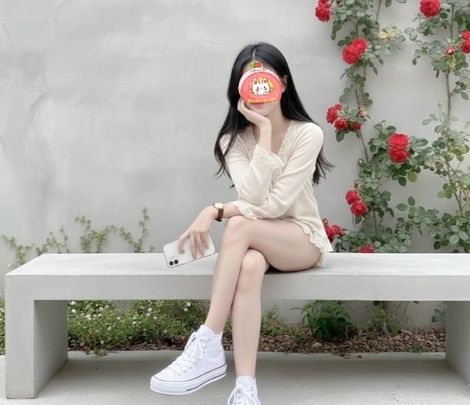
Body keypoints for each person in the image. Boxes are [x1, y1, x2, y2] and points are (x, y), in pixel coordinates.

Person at [150, 42, 334, 405]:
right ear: (239, 89)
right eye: (250, 81)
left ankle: (208, 339)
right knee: (248, 266)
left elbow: (277, 204)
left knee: (237, 226)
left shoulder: (307, 134)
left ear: (282, 82)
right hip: (256, 239)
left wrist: (215, 210)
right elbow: (252, 196)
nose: (259, 89)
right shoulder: (232, 140)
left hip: (300, 239)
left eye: (265, 80)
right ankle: (245, 387)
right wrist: (261, 132)